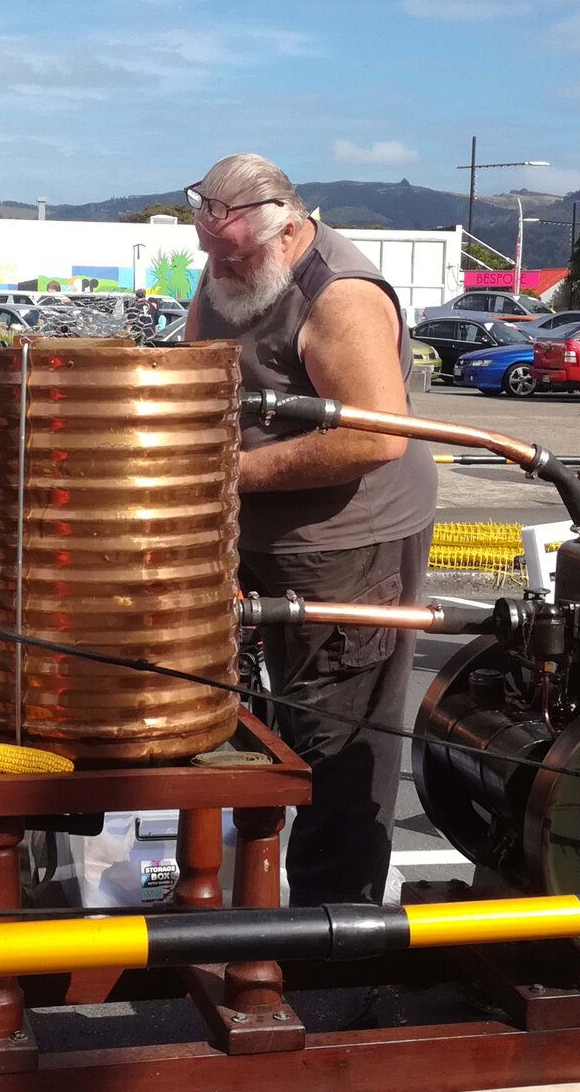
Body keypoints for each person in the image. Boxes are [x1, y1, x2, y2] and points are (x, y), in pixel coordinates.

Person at [187, 154, 437, 905]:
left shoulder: (342, 297)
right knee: (252, 718)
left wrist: (226, 475)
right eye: (210, 249)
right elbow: (197, 368)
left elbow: (374, 438)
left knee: (338, 735)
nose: (219, 265)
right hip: (254, 536)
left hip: (348, 545)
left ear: (290, 228)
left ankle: (337, 930)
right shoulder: (226, 266)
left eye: (235, 252)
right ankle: (250, 902)